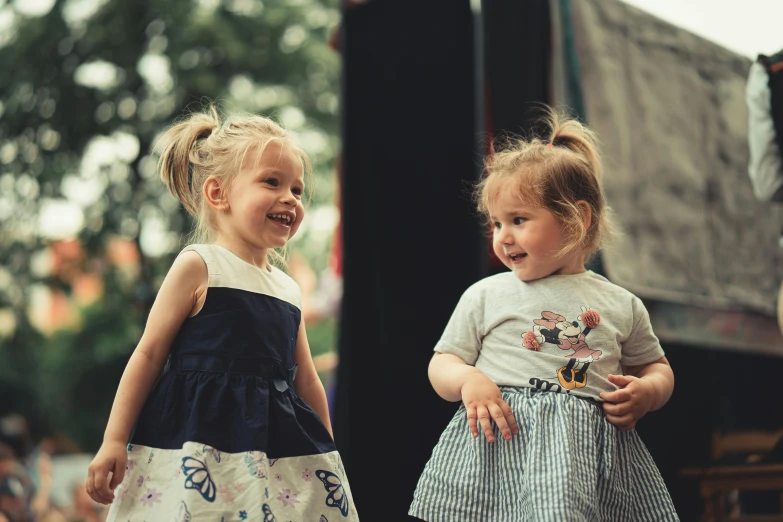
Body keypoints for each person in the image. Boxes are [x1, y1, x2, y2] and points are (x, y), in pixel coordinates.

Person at [84, 106, 358, 521]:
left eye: (298, 190)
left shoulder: (287, 289)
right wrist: (113, 439)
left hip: (274, 457)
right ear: (218, 194)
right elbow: (148, 355)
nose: (290, 198)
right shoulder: (199, 265)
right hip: (197, 448)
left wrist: (327, 453)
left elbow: (307, 380)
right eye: (272, 182)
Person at [409, 108, 678, 521]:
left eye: (519, 220)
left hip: (582, 466)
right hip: (497, 457)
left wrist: (647, 393)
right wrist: (469, 380)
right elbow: (442, 362)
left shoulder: (621, 304)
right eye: (496, 224)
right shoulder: (487, 295)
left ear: (577, 219)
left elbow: (657, 368)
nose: (504, 237)